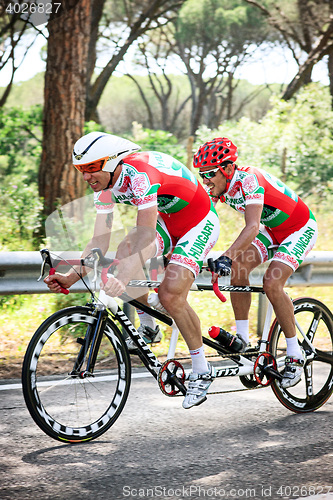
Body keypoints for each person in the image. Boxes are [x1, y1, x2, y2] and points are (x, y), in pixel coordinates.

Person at [44, 131, 220, 408]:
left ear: (113, 162)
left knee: (172, 295)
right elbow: (99, 241)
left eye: (91, 168)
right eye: (81, 170)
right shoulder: (104, 188)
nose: (86, 176)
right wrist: (70, 275)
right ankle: (148, 330)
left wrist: (122, 278)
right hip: (168, 221)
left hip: (197, 223)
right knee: (126, 250)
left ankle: (202, 369)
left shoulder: (139, 175)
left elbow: (146, 237)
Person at [193, 137, 318, 388]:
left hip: (298, 229)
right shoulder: (218, 187)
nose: (205, 180)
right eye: (201, 174)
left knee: (272, 283)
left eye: (209, 173)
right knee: (238, 268)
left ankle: (294, 353)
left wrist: (227, 254)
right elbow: (202, 220)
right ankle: (242, 339)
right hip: (272, 229)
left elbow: (251, 226)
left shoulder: (249, 179)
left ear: (228, 169)